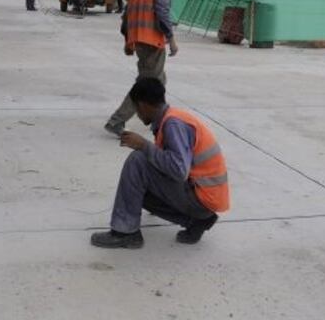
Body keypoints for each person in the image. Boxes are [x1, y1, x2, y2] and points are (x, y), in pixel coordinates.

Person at [91, 78, 229, 249]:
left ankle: (125, 233)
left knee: (137, 161)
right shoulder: (170, 118)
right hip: (204, 199)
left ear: (142, 105)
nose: (137, 115)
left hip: (202, 197)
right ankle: (196, 221)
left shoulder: (173, 124)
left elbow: (179, 171)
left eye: (136, 109)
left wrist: (144, 145)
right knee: (136, 189)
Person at [104, 0, 178, 135]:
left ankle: (157, 116)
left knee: (159, 80)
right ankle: (117, 121)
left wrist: (128, 42)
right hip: (152, 41)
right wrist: (171, 38)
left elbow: (126, 18)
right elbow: (162, 11)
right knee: (147, 86)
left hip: (140, 42)